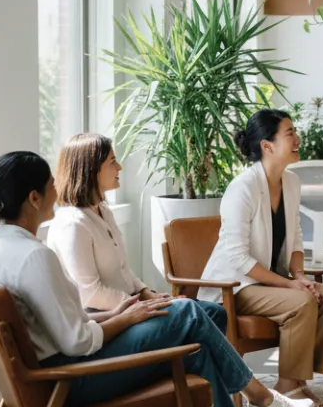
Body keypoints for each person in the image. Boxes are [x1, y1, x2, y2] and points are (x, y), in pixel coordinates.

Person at [0, 151, 314, 407]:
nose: (57, 191)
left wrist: (119, 313)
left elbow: (62, 323)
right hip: (72, 379)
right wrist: (127, 318)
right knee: (191, 314)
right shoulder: (35, 256)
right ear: (34, 198)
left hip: (64, 365)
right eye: (50, 186)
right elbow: (77, 341)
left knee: (204, 326)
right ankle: (258, 399)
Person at [200, 110, 323, 407]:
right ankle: (288, 386)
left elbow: (297, 237)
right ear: (267, 145)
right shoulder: (243, 187)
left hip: (268, 279)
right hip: (235, 285)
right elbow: (237, 257)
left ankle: (299, 381)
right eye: (290, 133)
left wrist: (300, 275)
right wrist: (292, 285)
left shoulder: (290, 182)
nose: (297, 139)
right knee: (302, 302)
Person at [46, 133, 226, 326]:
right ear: (91, 170)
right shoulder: (72, 224)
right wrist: (143, 303)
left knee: (214, 312)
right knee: (197, 314)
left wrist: (146, 293)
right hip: (108, 320)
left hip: (133, 306)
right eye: (112, 162)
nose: (119, 167)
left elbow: (123, 271)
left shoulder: (103, 210)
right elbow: (89, 294)